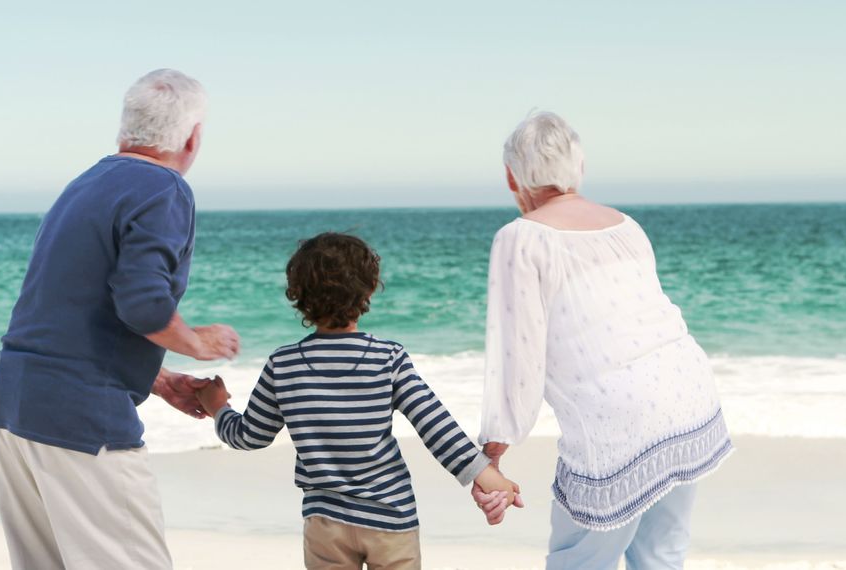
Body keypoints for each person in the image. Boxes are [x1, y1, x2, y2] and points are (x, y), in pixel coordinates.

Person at [0, 69, 240, 570]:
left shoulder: (83, 185)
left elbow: (66, 310)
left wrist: (157, 378)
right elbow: (141, 302)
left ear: (127, 128)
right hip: (81, 421)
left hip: (13, 407)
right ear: (193, 137)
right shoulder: (164, 188)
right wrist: (195, 341)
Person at [471, 112, 733, 569]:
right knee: (661, 556)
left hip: (618, 421)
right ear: (580, 168)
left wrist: (491, 452)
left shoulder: (521, 238)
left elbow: (518, 356)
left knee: (578, 561)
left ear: (512, 178)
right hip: (687, 396)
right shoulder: (626, 225)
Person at [196, 232, 520, 570]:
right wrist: (487, 475)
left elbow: (250, 436)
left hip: (325, 523)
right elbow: (434, 425)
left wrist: (217, 407)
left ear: (297, 294)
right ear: (369, 288)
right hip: (390, 518)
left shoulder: (284, 363)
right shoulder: (387, 358)